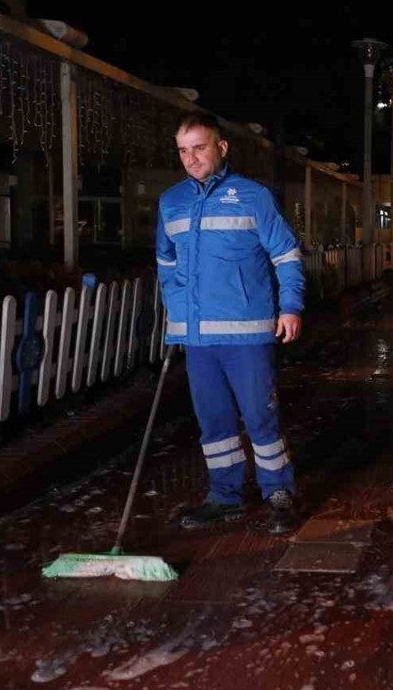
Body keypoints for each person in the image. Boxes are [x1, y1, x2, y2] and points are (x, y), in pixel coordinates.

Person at [155, 110, 306, 535]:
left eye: (199, 148)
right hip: (199, 337)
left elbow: (286, 255)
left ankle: (278, 491)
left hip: (248, 333)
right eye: (183, 151)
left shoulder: (253, 196)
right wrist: (177, 312)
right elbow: (167, 262)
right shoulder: (171, 201)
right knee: (214, 421)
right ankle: (224, 497)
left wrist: (290, 307)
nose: (191, 158)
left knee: (260, 415)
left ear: (221, 148)